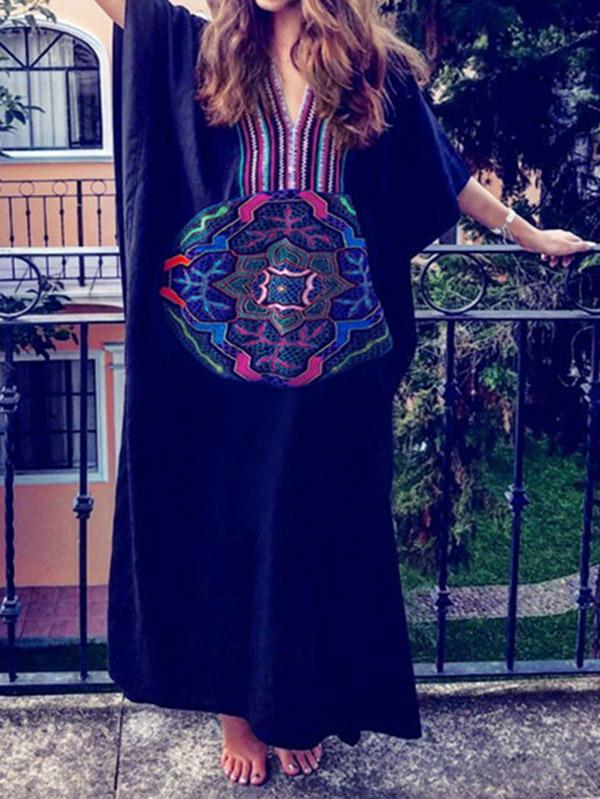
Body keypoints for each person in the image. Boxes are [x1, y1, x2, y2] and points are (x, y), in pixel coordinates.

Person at [95, 0, 594, 788]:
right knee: (224, 527)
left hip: (332, 364)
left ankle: (290, 707)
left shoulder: (372, 69)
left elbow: (443, 172)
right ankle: (236, 715)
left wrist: (526, 232)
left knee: (310, 531)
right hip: (219, 360)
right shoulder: (203, 50)